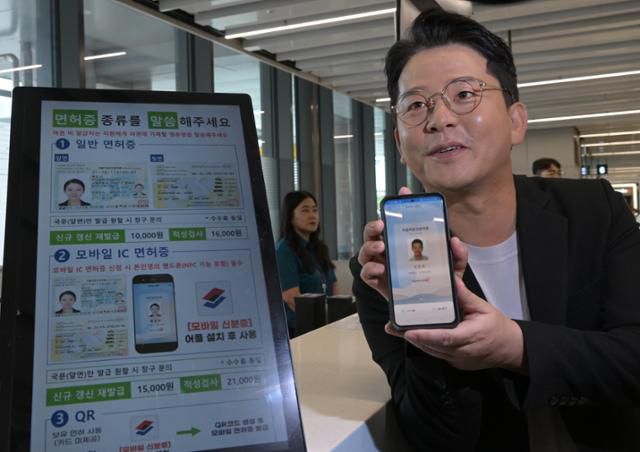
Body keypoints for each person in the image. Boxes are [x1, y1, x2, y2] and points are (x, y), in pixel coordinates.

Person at [352, 9, 640, 451]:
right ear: (400, 145)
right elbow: (435, 439)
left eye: (464, 94)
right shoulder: (384, 270)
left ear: (516, 121)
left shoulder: (594, 210)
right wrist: (430, 337)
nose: (439, 119)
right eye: (416, 105)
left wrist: (516, 346)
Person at [276, 191, 337, 336]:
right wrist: (321, 321)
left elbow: (334, 286)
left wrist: (336, 317)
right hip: (299, 329)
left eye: (315, 210)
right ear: (290, 216)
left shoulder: (319, 248)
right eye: (305, 210)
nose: (312, 215)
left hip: (325, 326)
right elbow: (291, 297)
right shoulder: (284, 250)